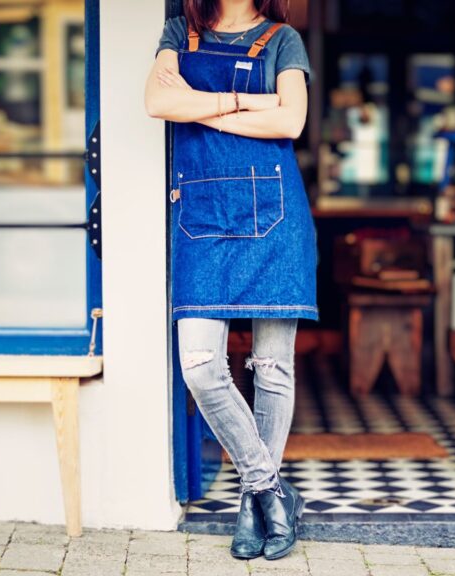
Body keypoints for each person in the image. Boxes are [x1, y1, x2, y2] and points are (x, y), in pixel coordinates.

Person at [144, 0, 317, 562]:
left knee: (272, 368)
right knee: (199, 366)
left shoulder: (284, 39)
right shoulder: (180, 31)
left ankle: (251, 504)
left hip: (274, 215)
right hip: (203, 219)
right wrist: (246, 102)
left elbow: (291, 120)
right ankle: (269, 488)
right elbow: (156, 101)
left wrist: (197, 108)